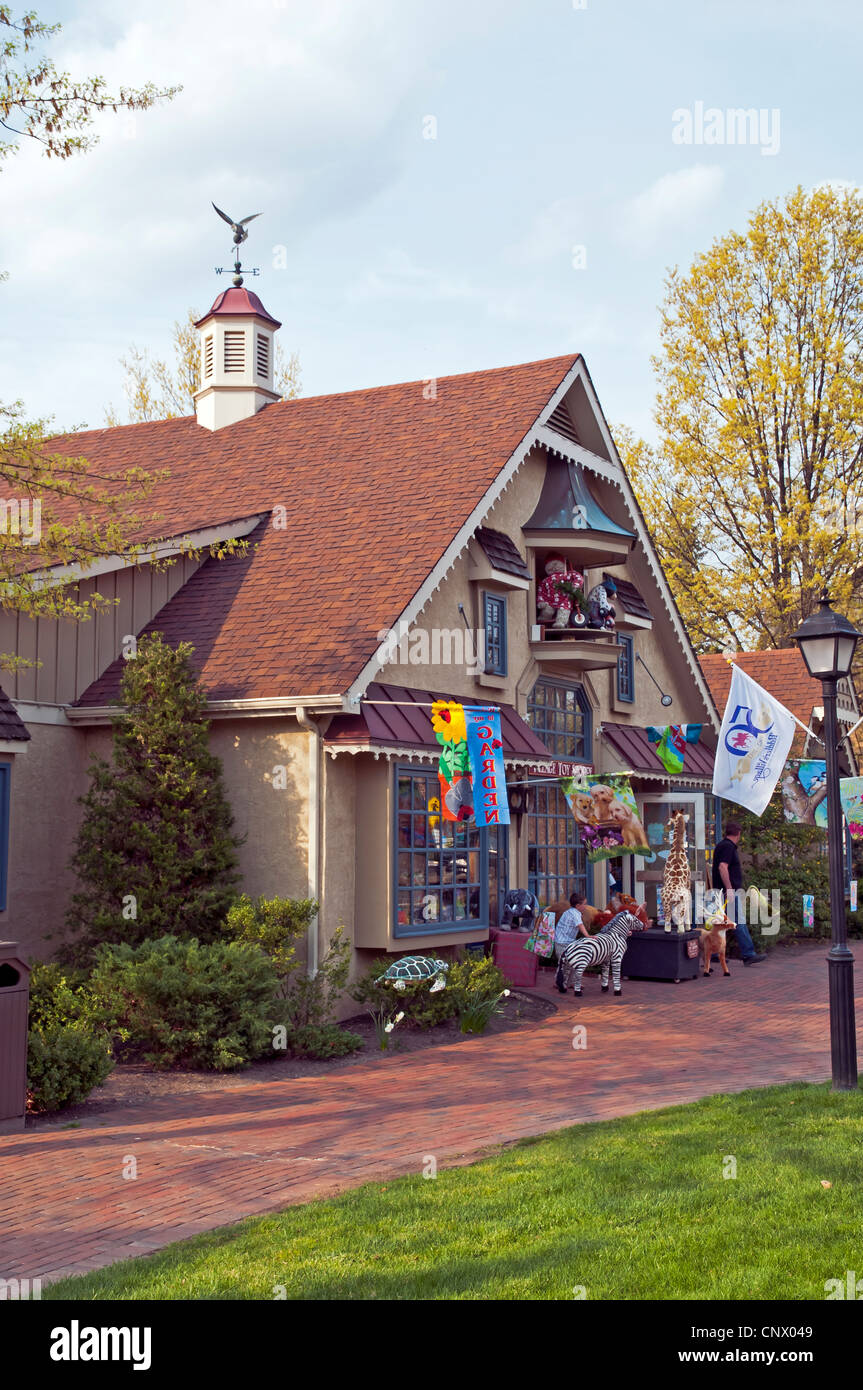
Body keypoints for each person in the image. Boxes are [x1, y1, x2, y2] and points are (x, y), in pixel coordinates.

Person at [711, 820, 766, 965]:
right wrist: (729, 888)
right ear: (738, 834)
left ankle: (714, 953)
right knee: (738, 921)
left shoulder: (721, 845)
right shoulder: (729, 847)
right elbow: (723, 867)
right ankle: (748, 954)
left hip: (720, 891)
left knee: (721, 922)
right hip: (729, 891)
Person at [554, 892, 590, 991]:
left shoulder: (570, 912)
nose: (586, 906)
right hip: (563, 943)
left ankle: (571, 982)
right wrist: (588, 936)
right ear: (578, 905)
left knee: (572, 963)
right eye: (585, 904)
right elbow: (580, 925)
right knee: (565, 965)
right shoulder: (574, 913)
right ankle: (561, 983)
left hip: (566, 942)